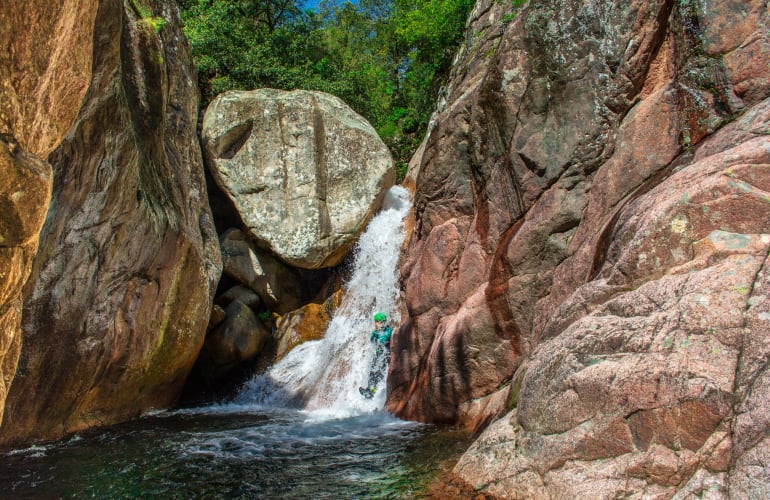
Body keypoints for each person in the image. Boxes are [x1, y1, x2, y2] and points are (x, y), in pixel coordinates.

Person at [359, 312, 393, 399]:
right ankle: (369, 390)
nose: (376, 324)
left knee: (379, 373)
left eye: (377, 322)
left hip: (385, 355)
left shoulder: (388, 330)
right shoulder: (375, 332)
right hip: (378, 354)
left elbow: (385, 339)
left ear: (382, 321)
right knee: (372, 372)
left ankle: (373, 391)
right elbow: (372, 341)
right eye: (376, 322)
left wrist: (378, 336)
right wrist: (374, 335)